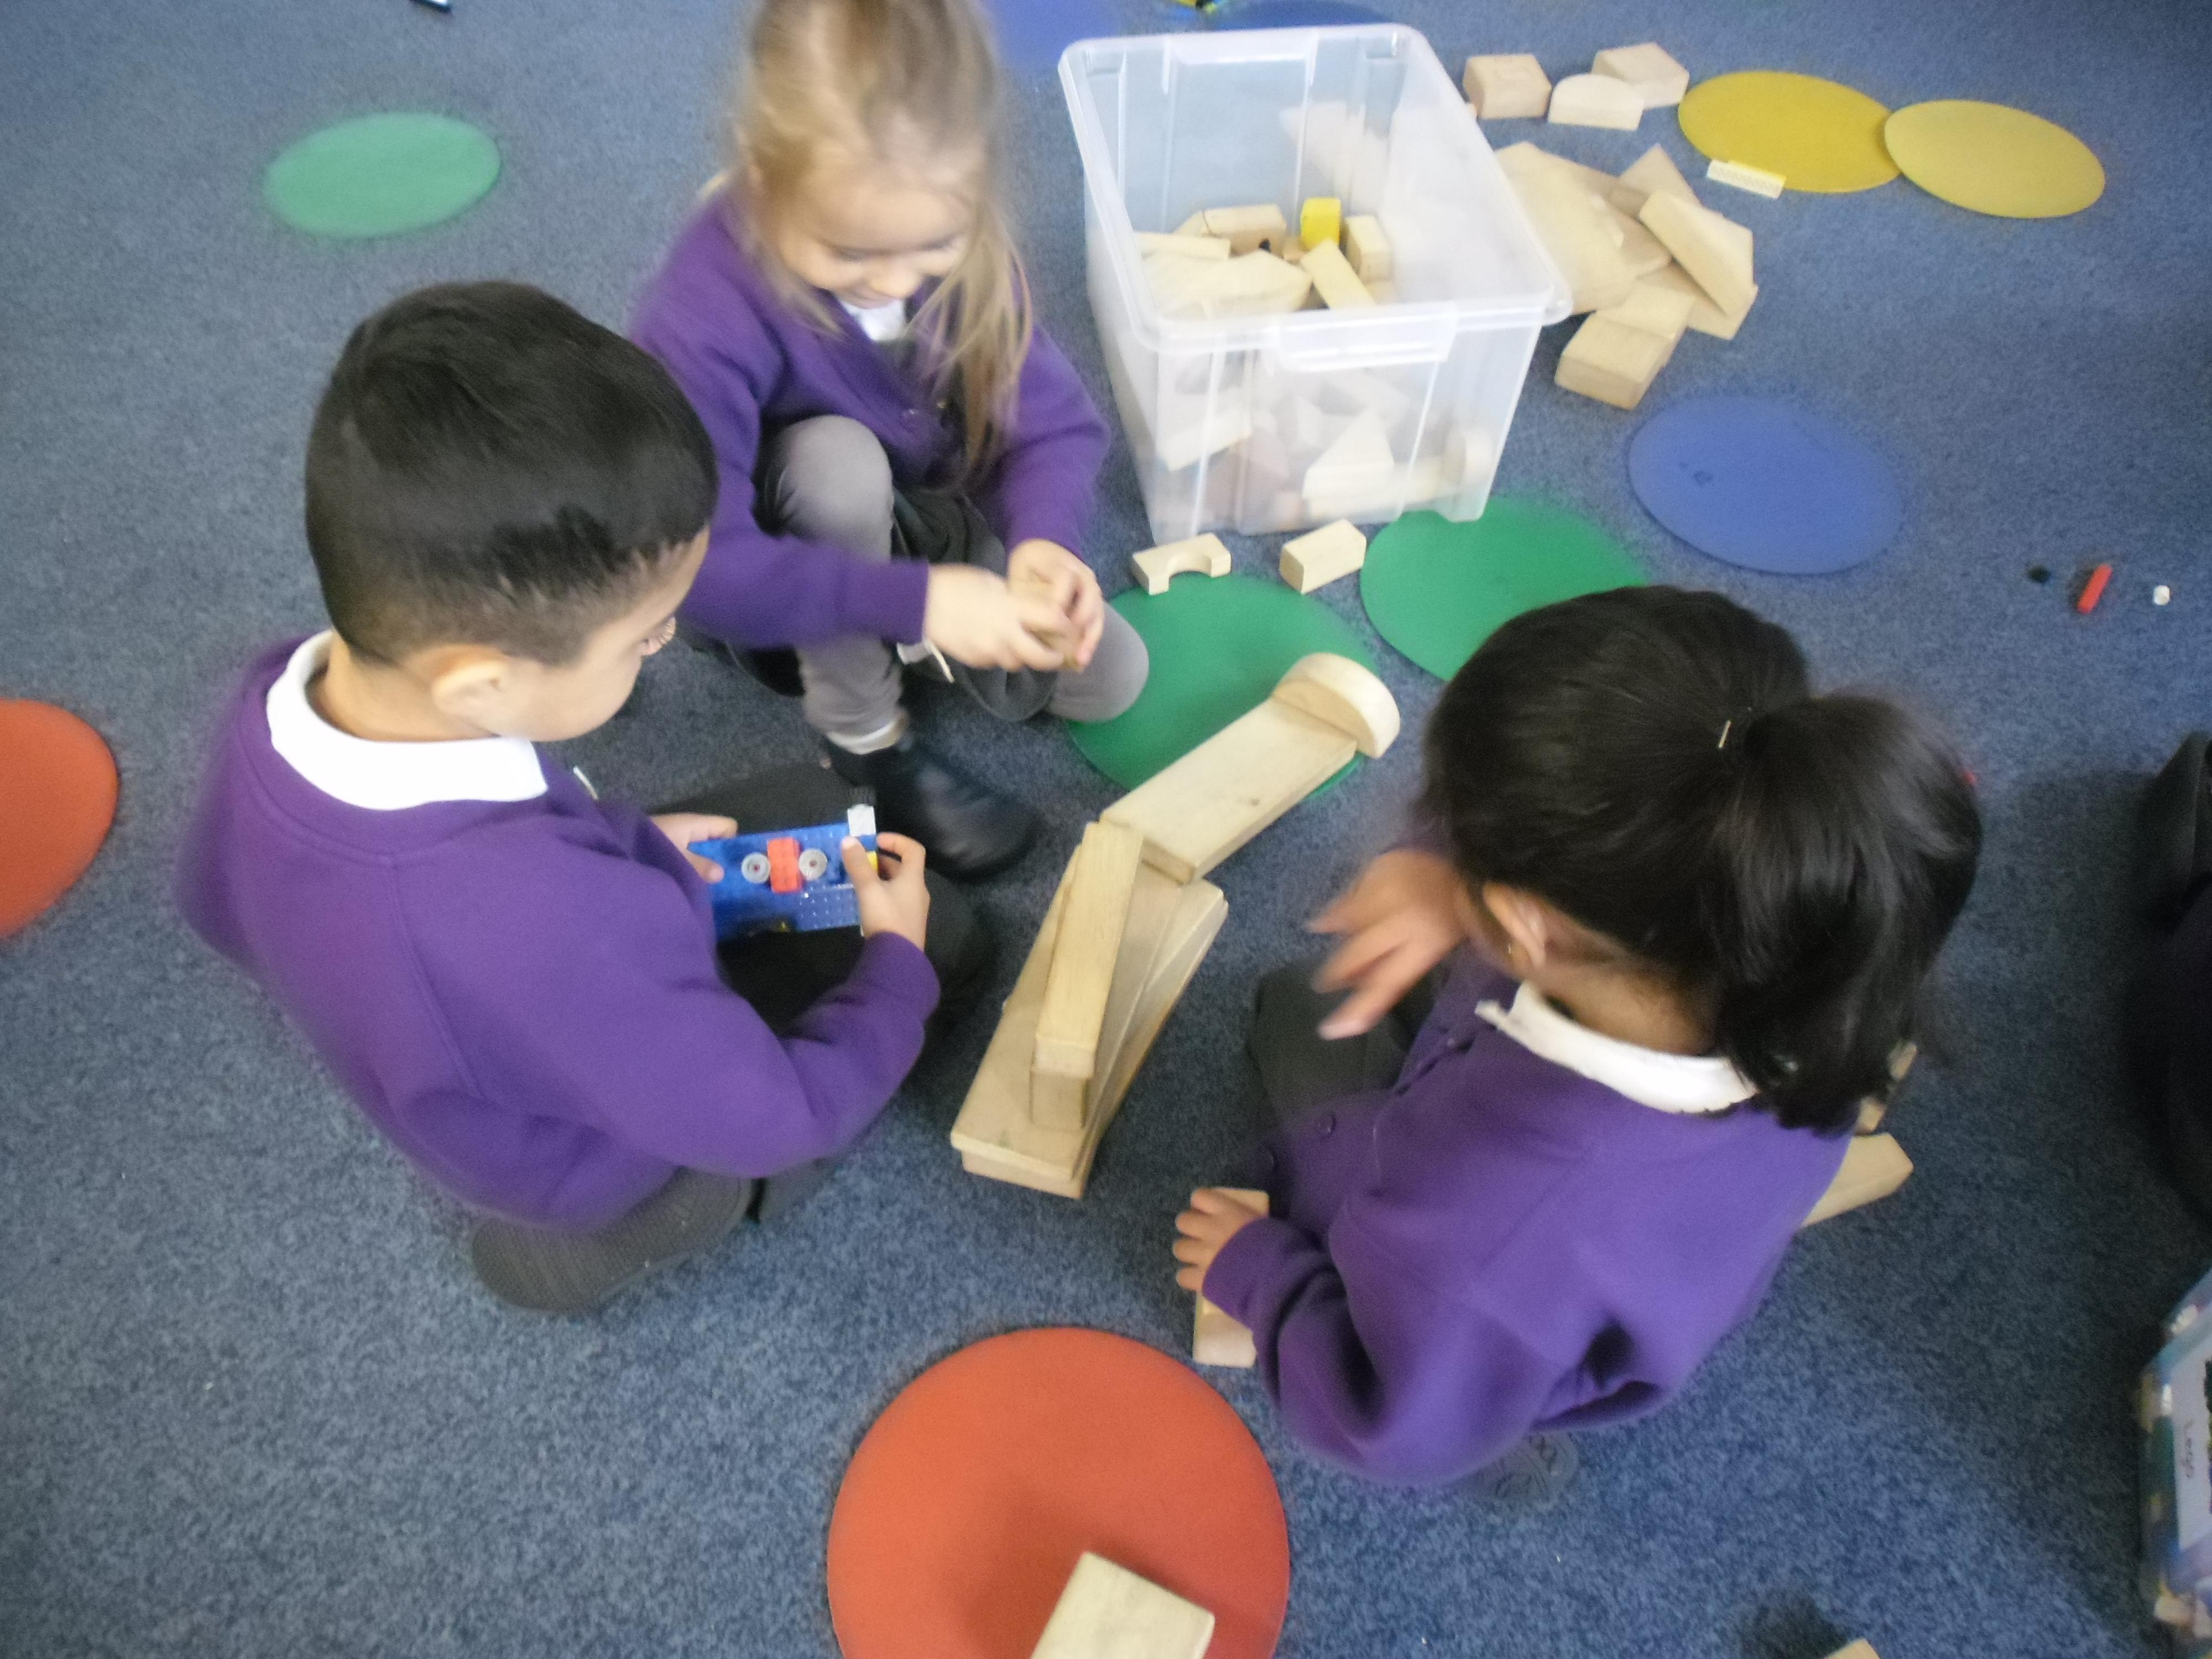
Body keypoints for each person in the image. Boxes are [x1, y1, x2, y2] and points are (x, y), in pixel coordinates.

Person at [176, 281, 990, 1314]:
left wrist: (623, 845)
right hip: (593, 1158)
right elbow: (775, 1117)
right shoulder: (538, 929)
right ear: (482, 683)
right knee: (944, 939)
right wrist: (895, 970)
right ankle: (608, 1239)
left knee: (804, 815)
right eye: (645, 636)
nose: (667, 643)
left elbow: (212, 903)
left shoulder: (278, 696)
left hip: (486, 1020)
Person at [1173, 587, 1982, 1498]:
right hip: (1596, 1258)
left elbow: (1386, 1426)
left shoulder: (1487, 1222)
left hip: (1472, 1311)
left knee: (1295, 1012)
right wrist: (1446, 872)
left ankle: (1491, 1426)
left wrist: (1266, 1278)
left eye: (1460, 838)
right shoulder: (1820, 925)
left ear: (1527, 926)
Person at [631, 0, 1149, 883]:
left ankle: (875, 625)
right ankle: (865, 734)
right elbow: (698, 566)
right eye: (849, 254)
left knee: (1111, 677)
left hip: (910, 507)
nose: (895, 282)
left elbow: (1055, 424)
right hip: (766, 543)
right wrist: (921, 604)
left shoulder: (951, 237)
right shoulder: (702, 311)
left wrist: (1044, 547)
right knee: (835, 463)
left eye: (934, 245)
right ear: (761, 173)